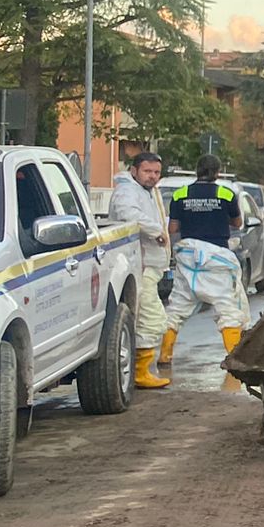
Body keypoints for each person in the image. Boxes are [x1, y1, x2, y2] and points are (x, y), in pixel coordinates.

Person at [164, 155, 250, 381]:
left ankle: (164, 355)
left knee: (177, 306)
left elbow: (173, 227)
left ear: (196, 171)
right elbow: (237, 223)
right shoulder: (226, 193)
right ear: (217, 173)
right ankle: (234, 357)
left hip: (188, 257)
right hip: (216, 257)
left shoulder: (180, 194)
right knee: (227, 307)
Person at [107, 150, 172, 389]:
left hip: (149, 266)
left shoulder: (146, 191)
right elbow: (129, 215)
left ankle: (142, 369)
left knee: (150, 318)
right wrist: (156, 230)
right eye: (147, 171)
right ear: (134, 171)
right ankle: (140, 372)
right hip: (139, 266)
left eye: (156, 172)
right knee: (151, 319)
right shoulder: (127, 191)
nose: (152, 176)